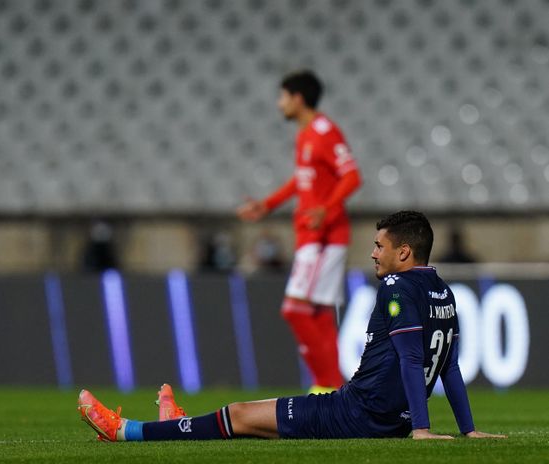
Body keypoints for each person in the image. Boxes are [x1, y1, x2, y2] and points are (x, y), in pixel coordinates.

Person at [78, 211, 507, 441]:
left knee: (240, 415)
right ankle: (175, 425)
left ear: (405, 252)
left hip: (355, 414)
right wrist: (468, 429)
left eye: (380, 246)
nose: (373, 254)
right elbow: (448, 368)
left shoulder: (396, 287)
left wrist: (421, 430)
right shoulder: (444, 292)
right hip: (382, 419)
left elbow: (414, 358)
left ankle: (127, 432)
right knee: (257, 423)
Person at [236, 70, 362, 393]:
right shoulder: (305, 134)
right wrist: (267, 204)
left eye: (282, 97)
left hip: (323, 237)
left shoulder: (324, 131)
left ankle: (327, 384)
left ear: (297, 98)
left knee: (295, 309)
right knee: (318, 314)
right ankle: (334, 389)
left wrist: (326, 209)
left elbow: (351, 177)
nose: (279, 104)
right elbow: (301, 180)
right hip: (311, 236)